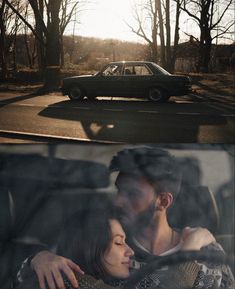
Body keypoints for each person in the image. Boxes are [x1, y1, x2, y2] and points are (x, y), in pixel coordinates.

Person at [13, 147, 234, 289]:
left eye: (132, 194)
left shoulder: (211, 255)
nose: (118, 201)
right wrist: (38, 257)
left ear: (164, 201)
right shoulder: (104, 255)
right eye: (119, 190)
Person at [13, 205, 211, 289]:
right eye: (118, 242)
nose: (130, 250)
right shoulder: (69, 280)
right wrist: (192, 245)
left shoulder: (111, 281)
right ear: (90, 247)